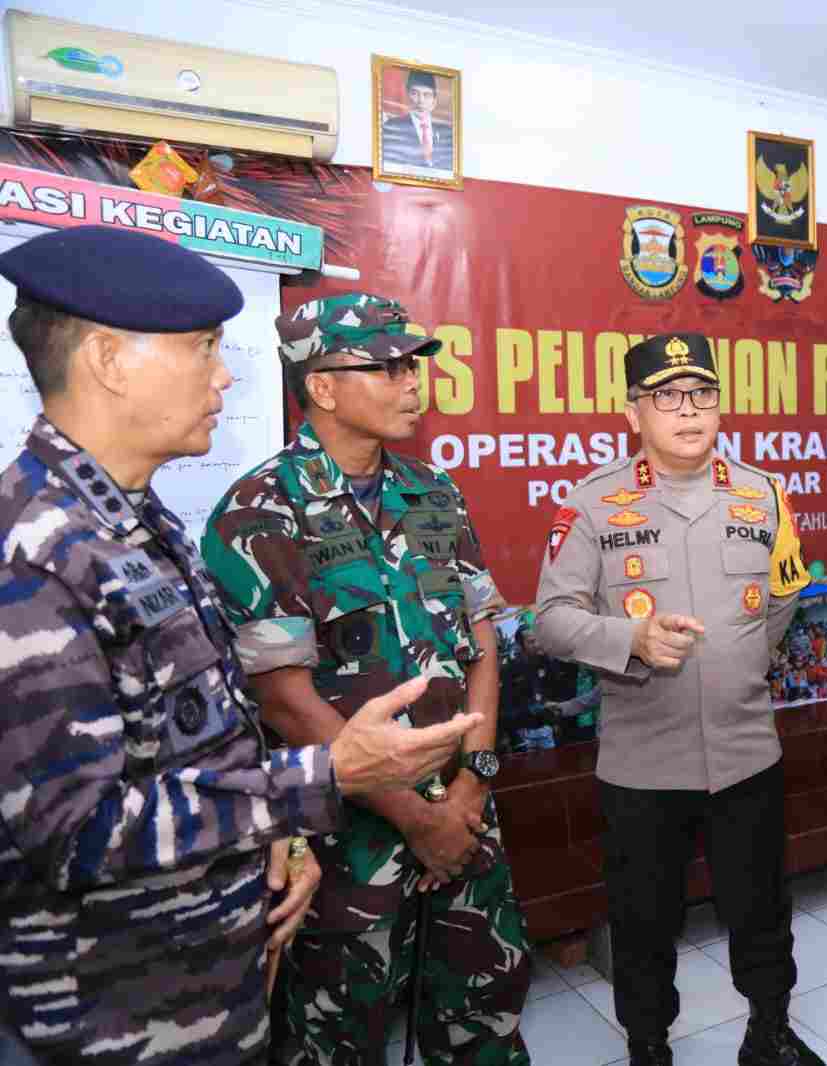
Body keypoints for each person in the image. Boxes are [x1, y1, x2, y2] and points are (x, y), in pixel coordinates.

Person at [0, 228, 483, 1066]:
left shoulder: (138, 524)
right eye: (203, 348)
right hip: (118, 1013)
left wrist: (275, 838)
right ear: (108, 359)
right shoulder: (33, 555)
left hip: (206, 972)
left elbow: (203, 737)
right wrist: (324, 779)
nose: (224, 375)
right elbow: (72, 832)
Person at [201, 293, 531, 1065]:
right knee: (338, 1039)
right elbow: (284, 698)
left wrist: (473, 784)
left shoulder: (432, 491)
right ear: (321, 386)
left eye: (413, 364)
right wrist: (417, 819)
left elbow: (482, 641)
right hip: (349, 840)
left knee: (485, 1018)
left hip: (465, 812)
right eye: (386, 368)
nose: (412, 382)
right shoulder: (259, 510)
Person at [533, 333, 819, 1066]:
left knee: (763, 911)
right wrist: (628, 639)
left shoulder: (763, 493)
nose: (688, 410)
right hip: (642, 763)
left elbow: (782, 601)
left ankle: (769, 1032)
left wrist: (737, 669)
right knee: (643, 923)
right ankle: (649, 1043)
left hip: (746, 751)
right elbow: (551, 621)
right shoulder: (592, 504)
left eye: (702, 394)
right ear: (634, 414)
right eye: (666, 396)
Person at [380, 68, 454, 172]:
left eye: (427, 95)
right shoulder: (392, 127)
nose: (420, 101)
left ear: (434, 101)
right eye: (415, 93)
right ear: (407, 96)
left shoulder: (447, 133)